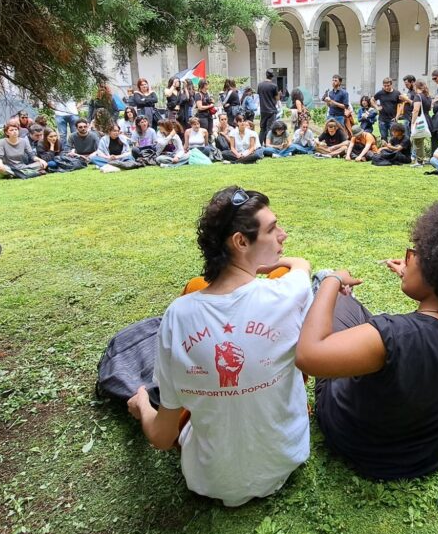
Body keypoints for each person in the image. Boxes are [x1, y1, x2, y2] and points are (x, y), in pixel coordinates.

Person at [295, 199, 438, 480]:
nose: (407, 257)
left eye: (414, 254)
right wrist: (412, 275)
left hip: (358, 441)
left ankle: (324, 290)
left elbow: (308, 355)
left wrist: (331, 282)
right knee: (358, 318)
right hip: (425, 452)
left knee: (337, 306)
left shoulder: (395, 335)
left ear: (437, 273)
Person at [127, 187, 312, 506]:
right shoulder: (288, 293)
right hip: (286, 459)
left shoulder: (178, 315)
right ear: (240, 242)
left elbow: (162, 437)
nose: (283, 234)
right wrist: (268, 268)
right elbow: (302, 266)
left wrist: (142, 405)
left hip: (208, 479)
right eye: (272, 229)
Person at [410, 80, 435, 166]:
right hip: (427, 119)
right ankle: (421, 159)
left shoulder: (418, 96)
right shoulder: (427, 96)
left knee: (418, 141)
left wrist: (413, 122)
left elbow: (416, 110)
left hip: (420, 120)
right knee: (420, 140)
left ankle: (419, 161)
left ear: (416, 87)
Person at [257, 70, 280, 143]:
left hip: (263, 110)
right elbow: (277, 98)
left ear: (266, 75)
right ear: (272, 76)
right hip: (271, 110)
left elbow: (259, 95)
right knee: (269, 128)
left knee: (262, 128)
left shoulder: (260, 85)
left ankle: (259, 144)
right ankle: (267, 144)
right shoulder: (274, 86)